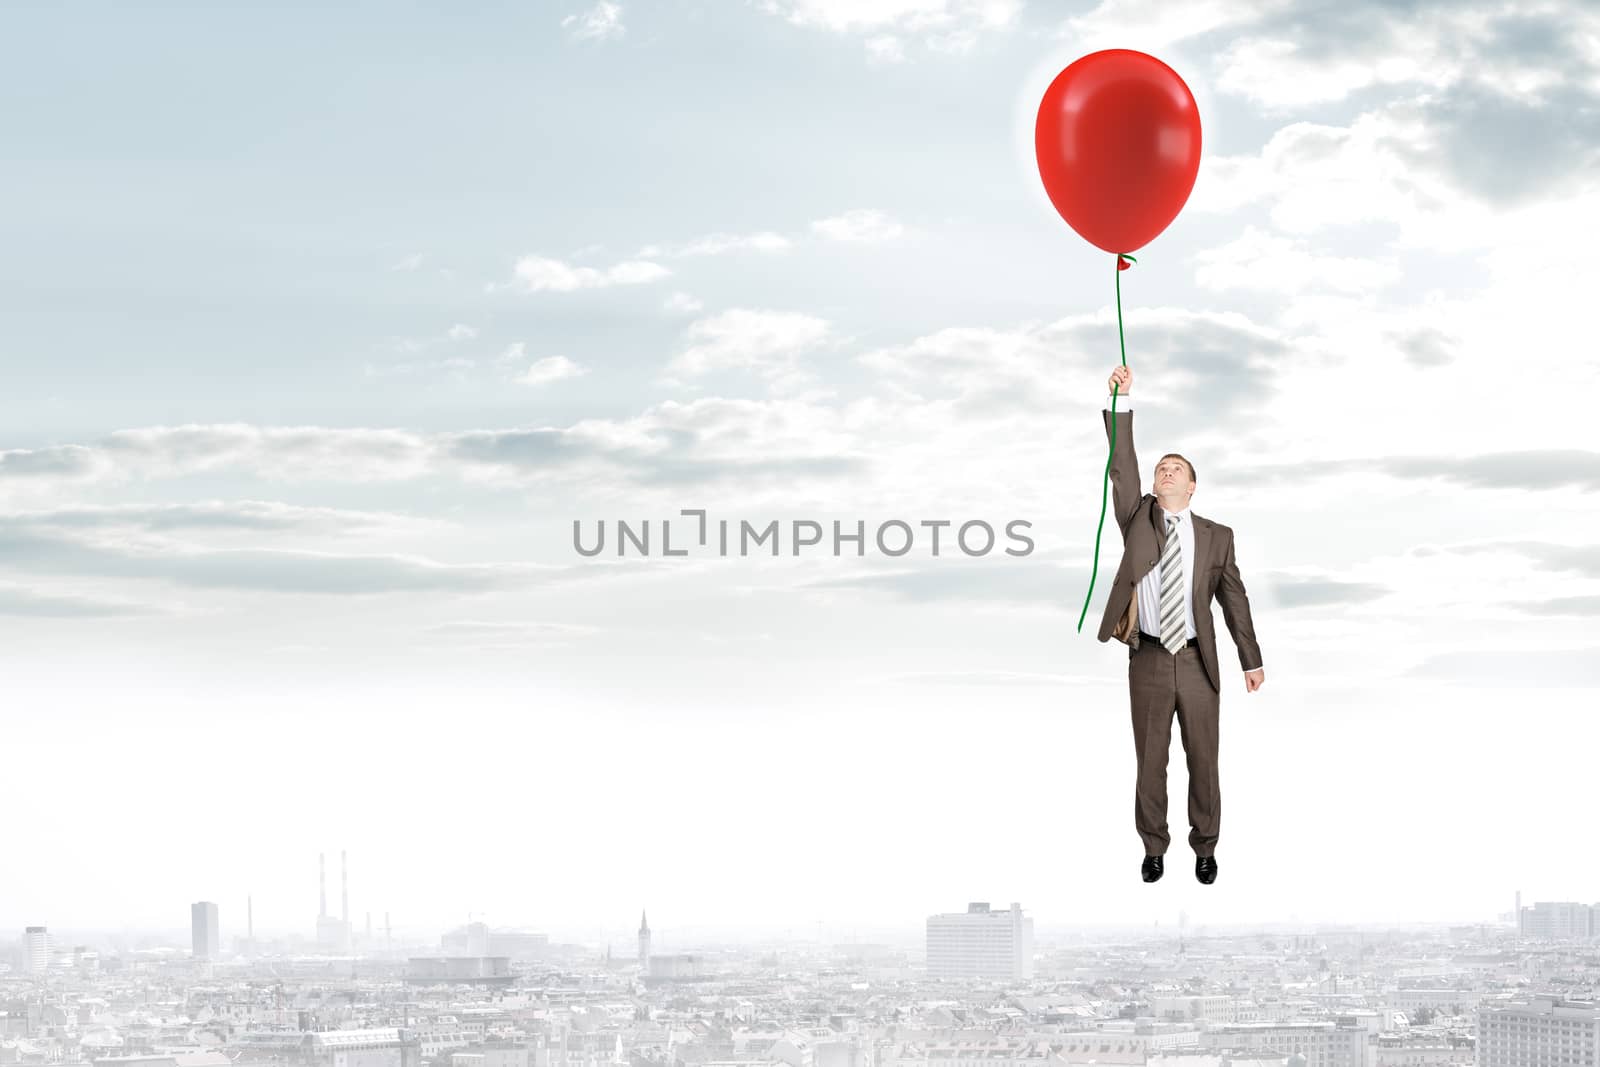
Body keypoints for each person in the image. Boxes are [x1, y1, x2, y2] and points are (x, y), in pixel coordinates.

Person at [1096, 365, 1264, 885]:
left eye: (1176, 468)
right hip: (1146, 656)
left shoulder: (1218, 536)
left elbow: (1234, 599)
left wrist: (1250, 659)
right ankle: (1153, 846)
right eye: (1161, 467)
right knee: (1151, 762)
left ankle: (1206, 845)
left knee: (1203, 760)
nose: (1166, 471)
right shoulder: (1137, 518)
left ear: (1192, 486)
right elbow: (1121, 467)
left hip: (1196, 659)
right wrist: (1122, 402)